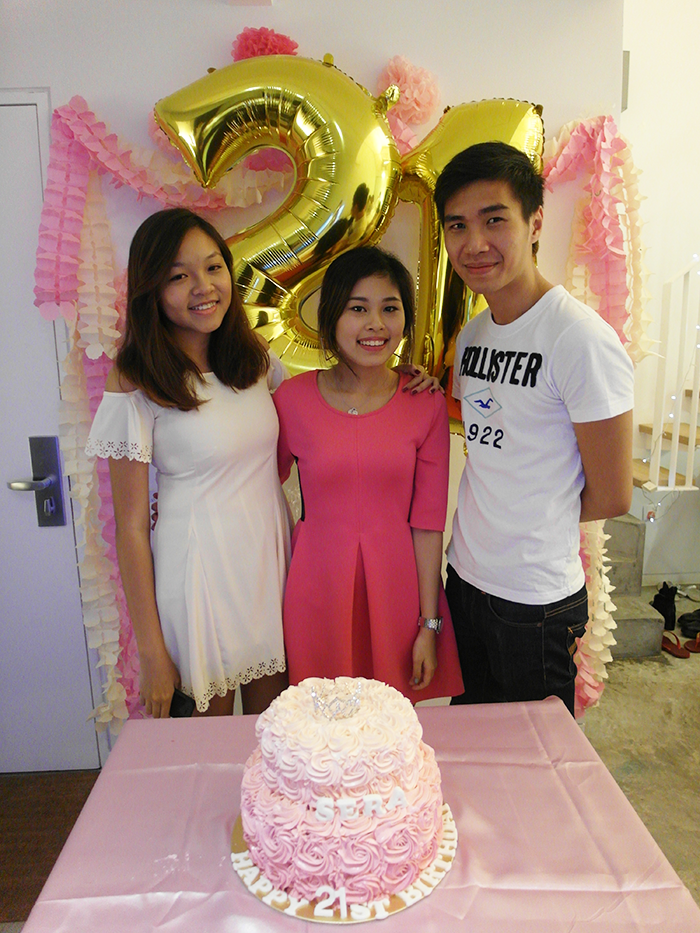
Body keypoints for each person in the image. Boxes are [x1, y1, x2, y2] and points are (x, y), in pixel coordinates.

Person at [433, 141, 634, 716]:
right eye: (457, 225)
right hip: (465, 578)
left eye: (494, 220)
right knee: (473, 739)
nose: (474, 243)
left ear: (535, 222)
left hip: (535, 601)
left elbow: (612, 494)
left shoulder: (580, 339)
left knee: (537, 757)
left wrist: (533, 521)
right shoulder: (473, 336)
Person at [85, 208, 291, 717]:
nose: (204, 287)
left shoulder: (255, 358)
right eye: (179, 276)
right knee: (205, 746)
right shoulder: (134, 379)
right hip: (199, 575)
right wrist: (152, 652)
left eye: (213, 267)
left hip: (268, 565)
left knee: (277, 735)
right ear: (151, 289)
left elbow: (326, 406)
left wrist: (401, 381)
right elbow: (131, 528)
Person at [272, 246, 464, 702]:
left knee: (389, 726)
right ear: (331, 316)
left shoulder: (425, 402)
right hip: (316, 589)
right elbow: (256, 486)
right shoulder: (291, 400)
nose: (375, 323)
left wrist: (429, 624)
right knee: (317, 722)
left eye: (390, 309)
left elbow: (428, 523)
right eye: (358, 309)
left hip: (396, 593)